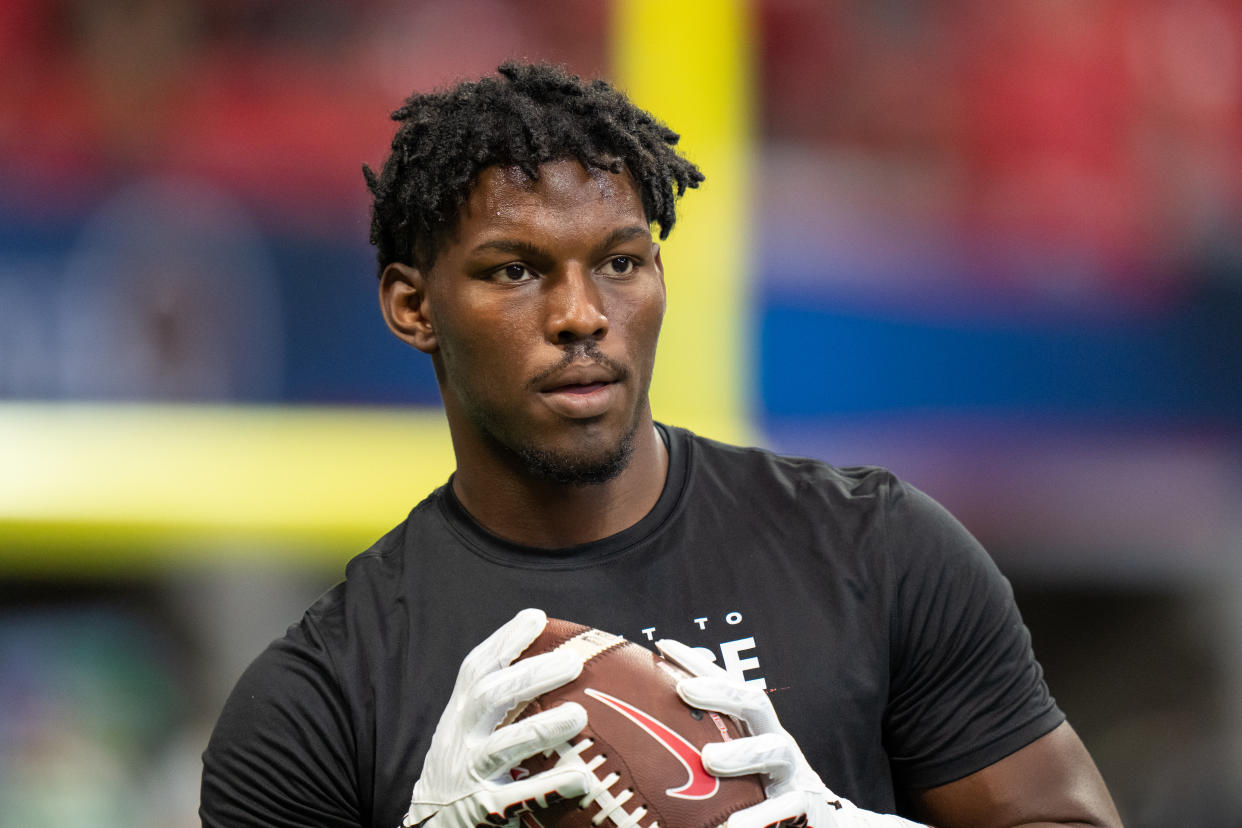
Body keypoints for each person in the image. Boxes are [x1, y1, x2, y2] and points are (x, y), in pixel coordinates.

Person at [200, 62, 1121, 828]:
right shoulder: (317, 700)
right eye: (515, 270)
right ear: (413, 307)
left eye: (620, 262)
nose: (581, 315)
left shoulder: (875, 550)